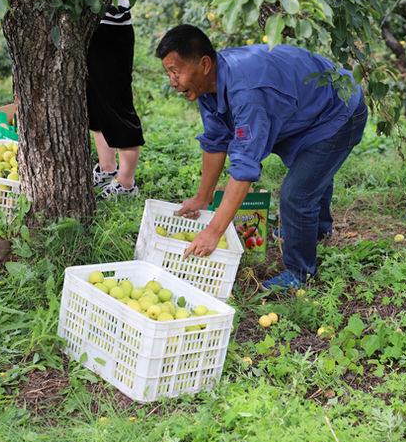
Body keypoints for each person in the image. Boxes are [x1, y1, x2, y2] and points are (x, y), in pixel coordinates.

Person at [155, 24, 367, 291]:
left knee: (297, 194)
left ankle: (299, 273)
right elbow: (216, 141)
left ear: (204, 64)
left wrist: (214, 231)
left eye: (176, 72)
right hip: (309, 108)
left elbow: (245, 166)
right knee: (310, 177)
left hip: (339, 109)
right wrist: (202, 196)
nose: (173, 82)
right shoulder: (207, 85)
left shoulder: (246, 94)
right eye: (169, 73)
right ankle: (316, 230)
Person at [87, 0, 144, 199]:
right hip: (88, 27)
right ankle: (107, 168)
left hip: (111, 27)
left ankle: (126, 184)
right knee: (94, 104)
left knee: (116, 106)